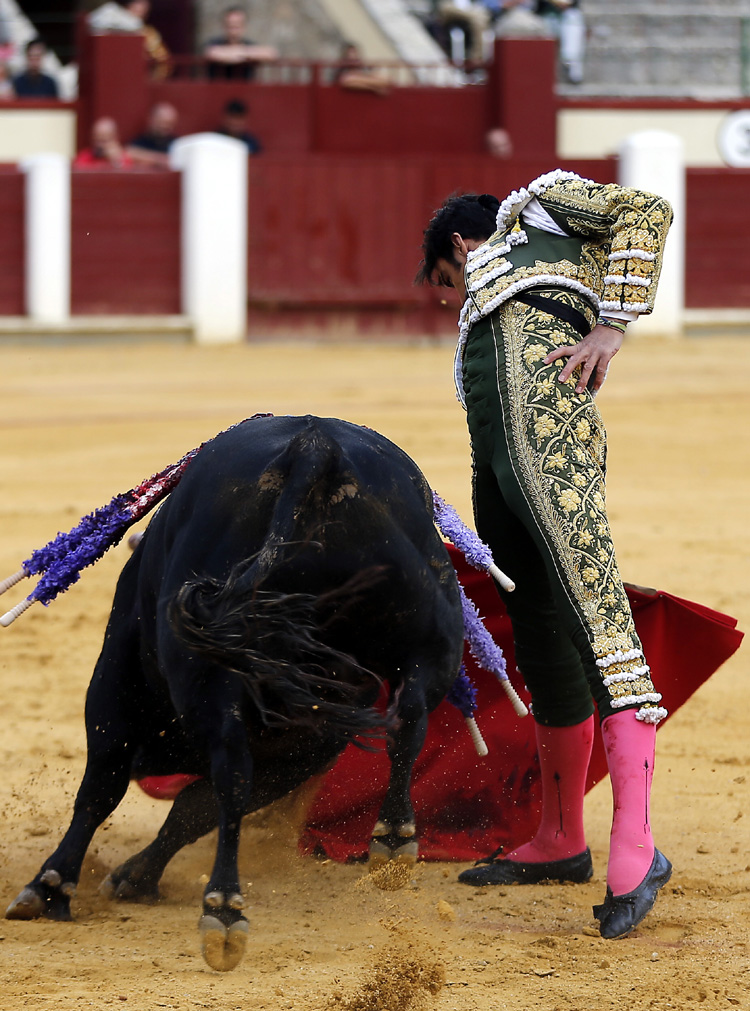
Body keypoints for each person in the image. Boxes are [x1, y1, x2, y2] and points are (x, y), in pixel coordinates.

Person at [417, 171, 673, 940]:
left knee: (595, 614)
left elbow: (646, 209)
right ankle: (561, 837)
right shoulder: (490, 307)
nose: (451, 297)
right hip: (497, 464)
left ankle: (638, 846)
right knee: (539, 636)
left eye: (445, 278)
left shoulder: (537, 209)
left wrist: (612, 326)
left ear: (460, 245)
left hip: (551, 445)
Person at [203, 6, 278, 81]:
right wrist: (246, 55)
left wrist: (238, 54)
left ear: (244, 27)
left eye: (237, 26)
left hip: (245, 87)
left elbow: (271, 53)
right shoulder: (214, 43)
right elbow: (211, 53)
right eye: (230, 26)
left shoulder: (249, 44)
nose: (233, 32)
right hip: (219, 87)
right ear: (224, 26)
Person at [537, 0, 586, 84]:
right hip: (543, 14)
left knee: (573, 19)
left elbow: (572, 3)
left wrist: (564, 4)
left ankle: (570, 62)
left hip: (566, 14)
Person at [121, 0, 172, 81]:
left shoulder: (149, 33)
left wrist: (154, 80)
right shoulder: (114, 28)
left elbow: (163, 59)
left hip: (141, 75)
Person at [126, 102, 179, 168]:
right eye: (161, 122)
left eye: (169, 124)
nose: (165, 126)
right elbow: (129, 153)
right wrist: (159, 159)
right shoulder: (142, 141)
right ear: (151, 119)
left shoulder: (176, 143)